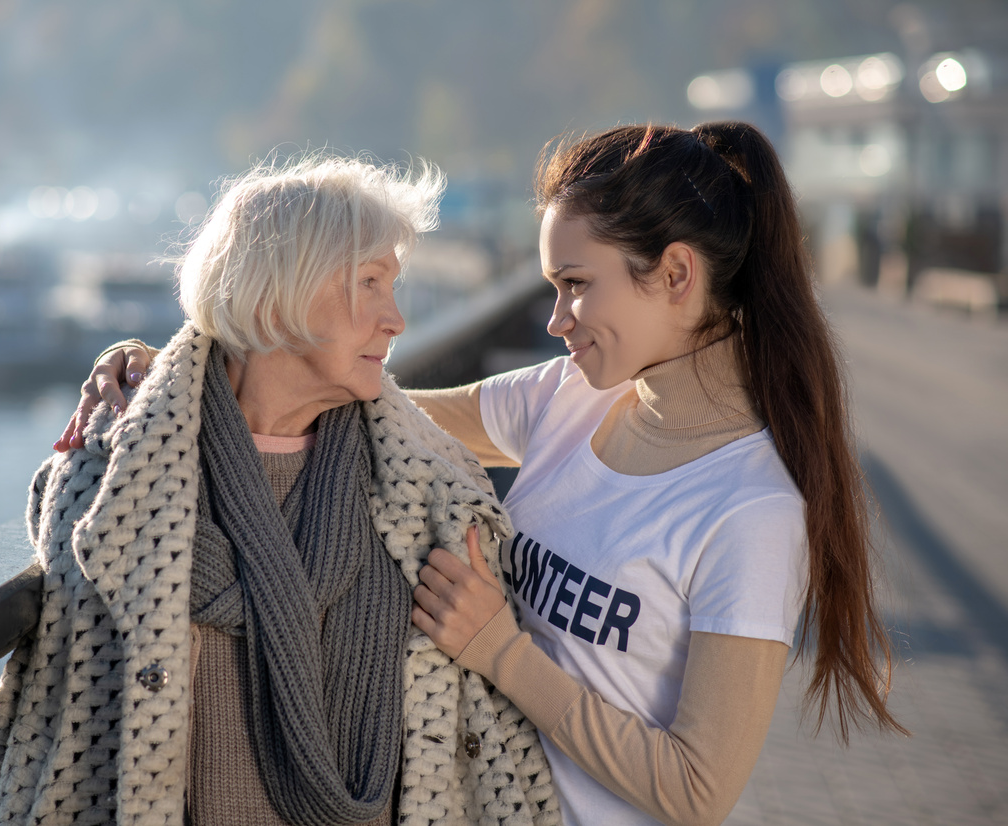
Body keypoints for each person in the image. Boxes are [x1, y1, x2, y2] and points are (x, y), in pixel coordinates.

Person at [62, 122, 907, 826]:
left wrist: (501, 650)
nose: (555, 320)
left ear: (677, 275)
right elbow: (366, 398)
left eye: (577, 286)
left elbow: (698, 789)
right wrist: (178, 367)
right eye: (550, 287)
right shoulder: (572, 397)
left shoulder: (748, 510)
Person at [0, 154, 560, 826]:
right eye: (369, 283)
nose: (395, 320)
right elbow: (63, 709)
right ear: (281, 293)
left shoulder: (429, 489)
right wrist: (157, 387)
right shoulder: (117, 470)